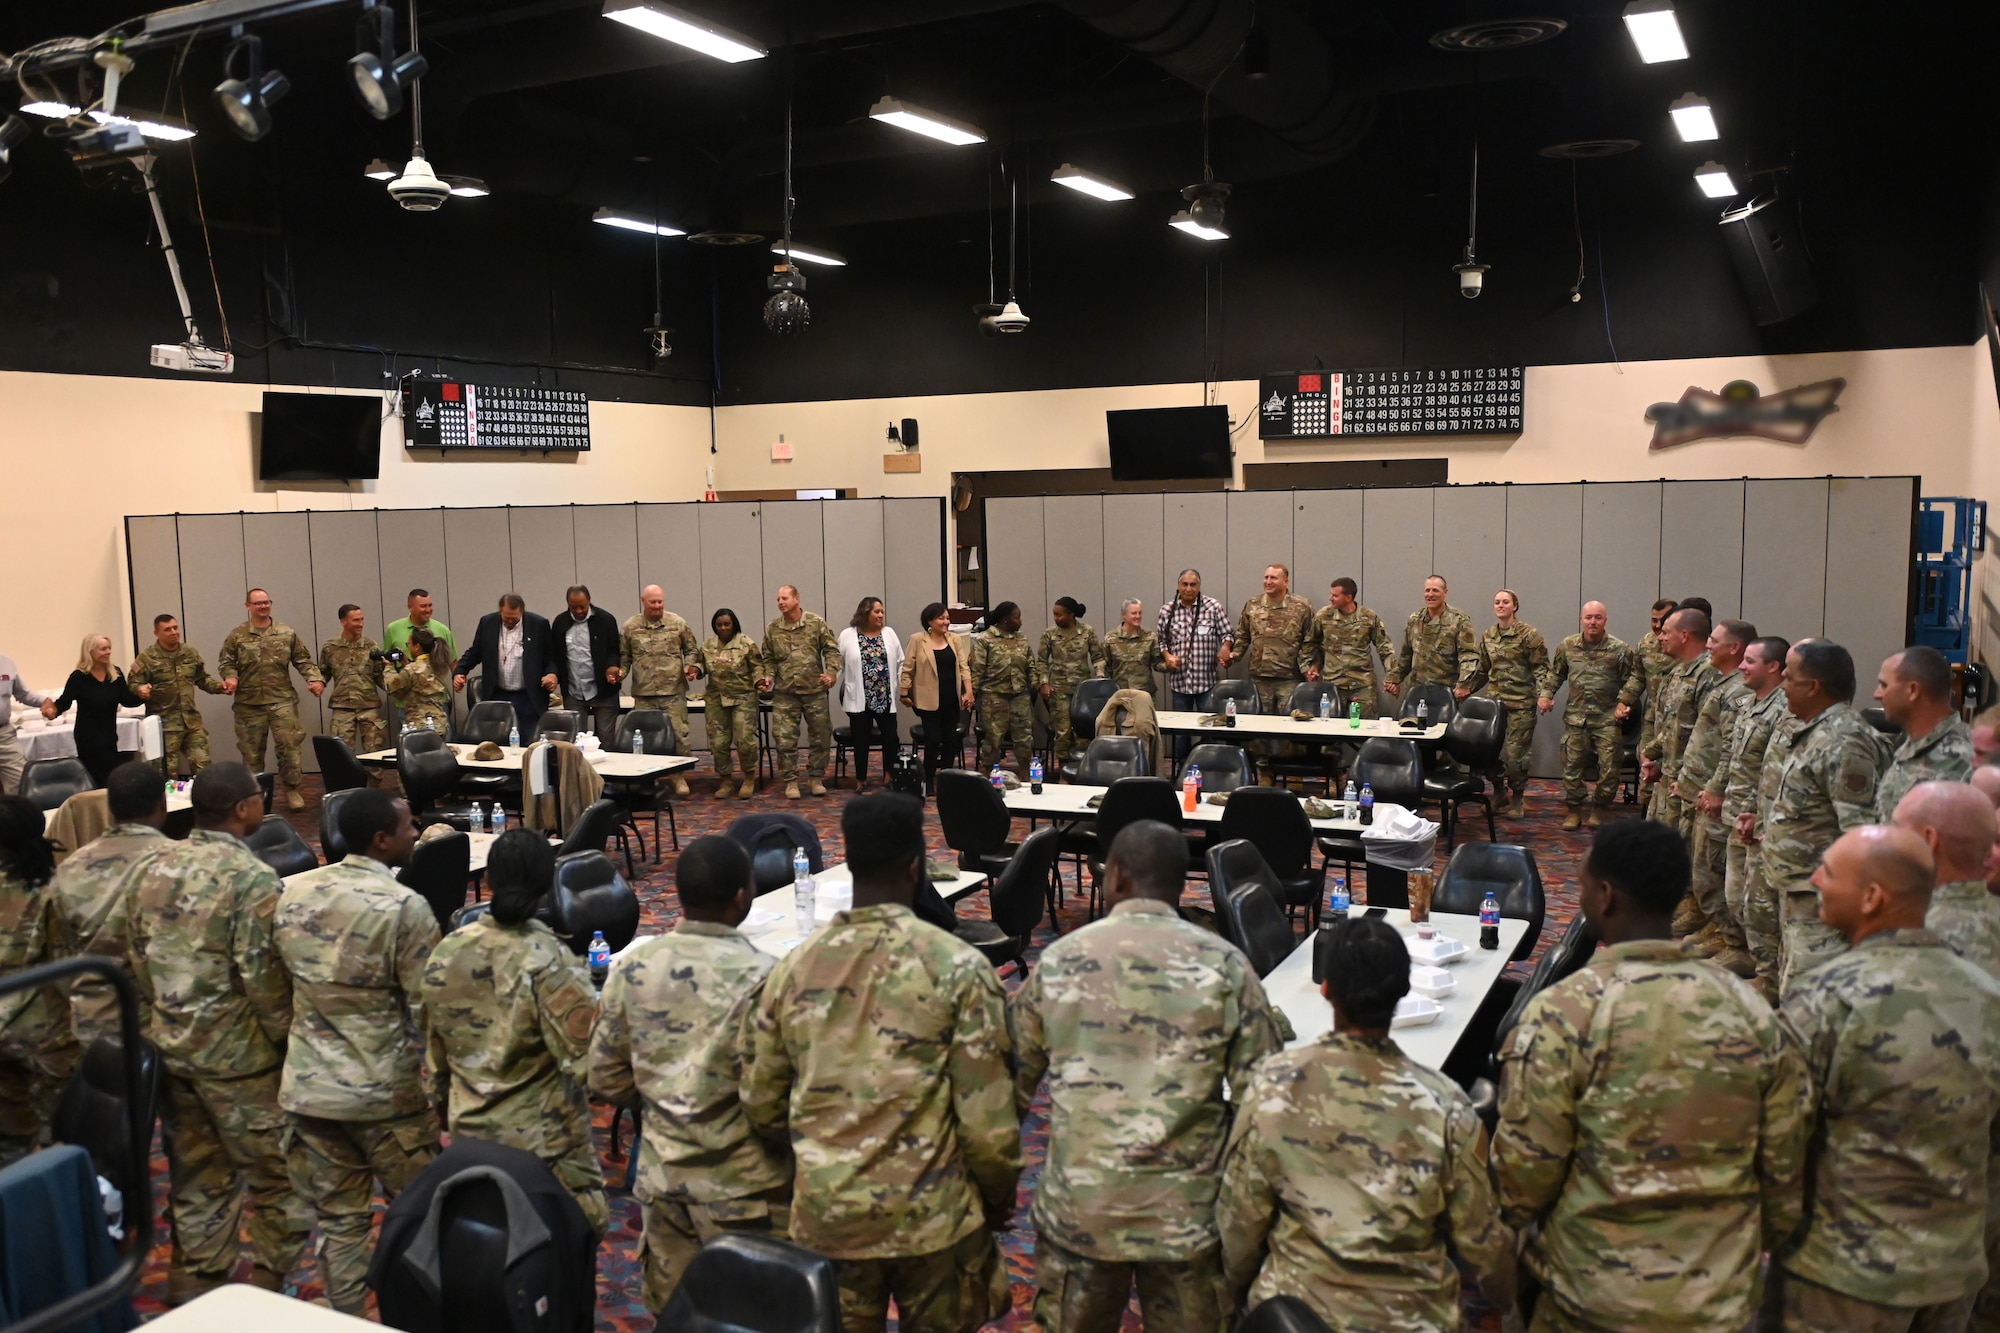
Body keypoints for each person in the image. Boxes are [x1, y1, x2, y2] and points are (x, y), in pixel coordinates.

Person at [1491, 819, 1807, 1333]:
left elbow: (1522, 1179)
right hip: (1716, 1299)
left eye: (1583, 884)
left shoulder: (1565, 1012)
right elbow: (1786, 1174)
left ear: (1606, 896)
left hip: (1592, 1298)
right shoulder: (1749, 1011)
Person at [743, 793, 1020, 1333]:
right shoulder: (959, 969)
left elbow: (762, 1104)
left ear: (848, 864)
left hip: (831, 1214)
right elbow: (987, 1124)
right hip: (936, 1219)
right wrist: (996, 1199)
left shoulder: (793, 970)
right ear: (916, 867)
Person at [1010, 819, 1285, 1333]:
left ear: (1114, 876)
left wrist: (999, 1186)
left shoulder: (1061, 961)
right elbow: (1264, 1108)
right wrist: (1249, 1225)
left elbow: (1008, 1094)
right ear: (1182, 883)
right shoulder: (1226, 966)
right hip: (1188, 1216)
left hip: (1083, 1210)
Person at [1215, 915, 1514, 1329]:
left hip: (1298, 1316)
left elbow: (1239, 1223)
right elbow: (1483, 1242)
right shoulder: (1445, 1105)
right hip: (1413, 1319)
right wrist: (1510, 1299)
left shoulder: (1273, 1086)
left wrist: (1228, 1302)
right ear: (1403, 992)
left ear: (1326, 990)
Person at [1770, 824, 2000, 1329]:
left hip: (1844, 1278)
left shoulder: (1829, 996)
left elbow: (1777, 1143)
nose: (1815, 879)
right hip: (1953, 1270)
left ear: (1872, 898)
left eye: (1828, 872)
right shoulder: (1985, 992)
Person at [122, 762, 305, 1303]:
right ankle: (267, 1294)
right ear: (243, 808)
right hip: (241, 1063)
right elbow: (265, 979)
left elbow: (136, 957)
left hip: (173, 1050)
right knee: (281, 1183)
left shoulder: (153, 866)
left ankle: (192, 1295)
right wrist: (290, 1043)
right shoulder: (251, 877)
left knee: (197, 1182)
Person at [590, 835, 792, 1314]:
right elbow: (778, 1101)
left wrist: (664, 1096)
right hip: (747, 1194)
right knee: (752, 1318)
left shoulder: (634, 967)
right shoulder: (769, 977)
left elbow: (603, 1075)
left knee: (678, 1316)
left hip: (666, 1181)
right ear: (742, 897)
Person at [274, 787, 441, 1317]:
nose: (416, 833)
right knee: (423, 1216)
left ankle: (344, 1321)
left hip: (309, 1088)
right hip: (383, 1094)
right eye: (408, 826)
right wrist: (443, 1087)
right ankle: (427, 1315)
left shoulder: (293, 894)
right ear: (381, 840)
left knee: (340, 1224)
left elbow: (274, 987)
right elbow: (428, 1009)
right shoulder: (404, 907)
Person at [422, 828, 604, 1234]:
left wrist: (443, 1110)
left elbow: (436, 1054)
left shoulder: (447, 950)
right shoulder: (551, 960)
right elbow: (588, 1064)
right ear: (547, 883)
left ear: (488, 880)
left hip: (469, 1135)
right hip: (543, 1149)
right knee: (571, 1243)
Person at [1760, 640, 1890, 992]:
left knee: (1812, 1000)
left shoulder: (1844, 741)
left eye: (1789, 677)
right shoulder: (1816, 733)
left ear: (1813, 686)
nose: (1783, 685)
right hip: (1801, 892)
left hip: (1824, 902)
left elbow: (1859, 835)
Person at [50, 760, 172, 1045]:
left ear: (111, 808)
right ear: (162, 804)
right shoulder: (186, 864)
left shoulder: (68, 870)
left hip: (95, 1027)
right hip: (169, 1023)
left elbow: (59, 957)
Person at [1669, 618, 1757, 965]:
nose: (1708, 646)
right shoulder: (1725, 684)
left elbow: (1730, 748)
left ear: (1734, 647)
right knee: (1700, 862)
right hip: (1700, 787)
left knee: (1714, 867)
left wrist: (1715, 787)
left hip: (1718, 793)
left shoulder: (1738, 692)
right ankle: (1715, 927)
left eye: (1715, 641)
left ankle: (1731, 938)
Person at [0, 794, 81, 1166]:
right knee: (59, 1138)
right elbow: (68, 974)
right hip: (44, 1036)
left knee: (10, 1141)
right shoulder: (49, 893)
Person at [1710, 635, 1792, 1002]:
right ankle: (1754, 961)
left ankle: (1770, 977)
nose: (1742, 666)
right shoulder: (1750, 704)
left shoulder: (1782, 711)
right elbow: (1735, 756)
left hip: (1761, 823)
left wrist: (1759, 816)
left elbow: (1775, 772)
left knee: (1760, 905)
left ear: (1772, 667)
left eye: (1751, 661)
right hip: (1738, 814)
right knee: (1738, 898)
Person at [217, 587, 324, 812]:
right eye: (258, 603)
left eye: (266, 602)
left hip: (281, 701)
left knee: (289, 747)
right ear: (248, 607)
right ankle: (254, 794)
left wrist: (315, 680)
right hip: (249, 704)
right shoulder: (237, 636)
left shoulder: (286, 633)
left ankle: (291, 788)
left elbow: (303, 660)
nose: (263, 606)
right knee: (252, 753)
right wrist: (231, 677)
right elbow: (226, 662)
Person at [1537, 601, 1641, 830]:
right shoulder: (1568, 646)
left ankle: (1599, 808)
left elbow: (1633, 679)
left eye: (1598, 618)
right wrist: (1545, 695)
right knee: (1571, 768)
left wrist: (1625, 702)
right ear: (1581, 619)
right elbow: (1556, 675)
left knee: (1611, 769)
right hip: (1576, 718)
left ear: (1605, 620)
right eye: (1588, 617)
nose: (1593, 622)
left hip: (1607, 719)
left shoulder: (1620, 649)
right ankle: (1574, 809)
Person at [1891, 780, 2000, 981]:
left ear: (1928, 840)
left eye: (1896, 828)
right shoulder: (1991, 911)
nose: (1888, 840)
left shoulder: (1923, 933)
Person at [1640, 606, 1721, 833]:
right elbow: (1673, 725)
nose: (1661, 637)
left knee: (1682, 857)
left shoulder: (1709, 674)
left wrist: (1689, 780)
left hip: (1691, 785)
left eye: (1666, 632)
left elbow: (1708, 735)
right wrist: (1652, 753)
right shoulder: (1678, 672)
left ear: (1684, 635)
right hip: (1668, 777)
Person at [1875, 645, 1975, 820]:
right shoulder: (1910, 743)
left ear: (1913, 691)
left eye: (1884, 685)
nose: (1876, 694)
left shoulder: (1960, 758)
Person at [759, 585, 840, 800]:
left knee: (821, 736)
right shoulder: (773, 628)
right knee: (784, 739)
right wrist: (767, 676)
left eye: (784, 598)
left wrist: (831, 674)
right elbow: (767, 657)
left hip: (814, 691)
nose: (780, 602)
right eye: (778, 599)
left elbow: (832, 650)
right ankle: (791, 781)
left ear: (797, 599)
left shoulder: (816, 623)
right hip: (785, 693)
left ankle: (815, 777)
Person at [621, 584, 700, 799]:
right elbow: (624, 657)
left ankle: (678, 776)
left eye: (660, 601)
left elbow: (691, 649)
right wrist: (619, 672)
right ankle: (649, 777)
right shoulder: (630, 627)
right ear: (643, 601)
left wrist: (690, 666)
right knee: (644, 739)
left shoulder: (677, 623)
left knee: (678, 735)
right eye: (653, 602)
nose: (657, 606)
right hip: (644, 692)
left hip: (673, 690)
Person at [128, 613, 228, 776]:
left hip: (191, 722)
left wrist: (220, 687)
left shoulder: (189, 653)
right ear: (157, 633)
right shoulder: (146, 658)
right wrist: (140, 689)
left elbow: (202, 679)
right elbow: (132, 683)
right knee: (166, 775)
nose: (174, 632)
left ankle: (203, 800)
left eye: (175, 628)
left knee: (204, 768)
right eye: (168, 629)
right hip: (165, 725)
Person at [43, 632, 148, 786]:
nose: (108, 652)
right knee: (95, 780)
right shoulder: (79, 677)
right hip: (87, 739)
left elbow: (126, 700)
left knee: (109, 778)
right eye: (103, 649)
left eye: (109, 648)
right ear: (90, 652)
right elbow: (64, 702)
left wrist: (141, 695)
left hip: (109, 737)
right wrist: (52, 712)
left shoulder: (115, 674)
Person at [1155, 569, 1235, 765]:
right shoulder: (1167, 610)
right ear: (1178, 586)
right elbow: (1162, 641)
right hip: (1179, 682)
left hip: (1206, 682)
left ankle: (1209, 766)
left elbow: (1228, 634)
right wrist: (1167, 656)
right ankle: (1181, 769)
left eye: (1193, 585)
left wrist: (1225, 648)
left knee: (1209, 728)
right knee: (1181, 733)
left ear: (1199, 586)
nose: (1189, 588)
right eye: (1185, 584)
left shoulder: (1212, 606)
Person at [1480, 590, 1548, 819]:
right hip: (1495, 704)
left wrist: (1544, 694)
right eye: (1497, 602)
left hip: (1521, 704)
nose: (1500, 605)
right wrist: (1464, 688)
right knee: (1488, 752)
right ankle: (1499, 792)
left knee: (1516, 755)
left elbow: (1541, 668)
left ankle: (1518, 798)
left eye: (1505, 602)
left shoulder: (1529, 635)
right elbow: (1483, 668)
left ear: (1515, 606)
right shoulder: (1488, 635)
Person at [454, 592, 559, 735]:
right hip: (497, 694)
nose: (510, 621)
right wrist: (460, 671)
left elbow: (551, 657)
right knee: (498, 740)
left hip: (528, 696)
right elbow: (475, 652)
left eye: (514, 618)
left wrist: (552, 674)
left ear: (521, 612)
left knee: (527, 740)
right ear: (500, 611)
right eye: (506, 618)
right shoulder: (487, 623)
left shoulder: (539, 624)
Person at [1222, 564, 1314, 717]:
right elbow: (1243, 635)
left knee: (1291, 728)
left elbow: (1311, 640)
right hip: (1259, 679)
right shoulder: (1253, 604)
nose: (1268, 581)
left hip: (1289, 679)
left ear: (1285, 582)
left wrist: (1310, 667)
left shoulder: (1302, 606)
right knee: (1257, 730)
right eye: (1266, 577)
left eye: (1273, 578)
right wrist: (1234, 655)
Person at [901, 602, 973, 791]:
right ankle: (929, 778)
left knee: (951, 741)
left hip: (951, 698)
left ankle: (946, 778)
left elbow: (963, 666)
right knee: (933, 740)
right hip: (927, 700)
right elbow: (908, 668)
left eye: (947, 618)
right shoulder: (917, 640)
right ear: (929, 621)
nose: (946, 622)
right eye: (941, 618)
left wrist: (969, 691)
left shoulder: (955, 639)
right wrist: (904, 692)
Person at [969, 601, 1043, 778]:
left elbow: (1031, 666)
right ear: (1005, 620)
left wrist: (1037, 686)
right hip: (994, 697)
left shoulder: (1022, 639)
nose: (1021, 621)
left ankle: (1025, 774)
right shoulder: (984, 639)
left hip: (1020, 696)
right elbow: (977, 669)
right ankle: (986, 773)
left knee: (1024, 738)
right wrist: (971, 693)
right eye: (1017, 618)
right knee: (993, 739)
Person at [837, 597, 905, 791]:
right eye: (877, 611)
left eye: (882, 611)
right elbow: (837, 663)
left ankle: (889, 775)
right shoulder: (848, 635)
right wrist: (830, 678)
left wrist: (903, 686)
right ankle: (860, 778)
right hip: (859, 698)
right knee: (861, 740)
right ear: (865, 613)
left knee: (891, 738)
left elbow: (901, 661)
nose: (881, 615)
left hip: (884, 697)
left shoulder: (889, 633)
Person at [1303, 577, 1392, 719]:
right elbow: (1309, 643)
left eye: (1335, 595)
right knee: (1328, 731)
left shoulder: (1368, 617)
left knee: (1364, 730)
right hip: (1333, 684)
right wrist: (1310, 666)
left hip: (1362, 685)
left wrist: (1391, 676)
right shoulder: (1324, 616)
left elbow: (1385, 649)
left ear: (1348, 597)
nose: (1330, 598)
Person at [699, 608, 765, 800]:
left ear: (734, 624)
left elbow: (758, 666)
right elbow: (701, 665)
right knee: (718, 742)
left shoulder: (746, 643)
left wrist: (760, 681)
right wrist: (695, 669)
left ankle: (749, 778)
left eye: (727, 624)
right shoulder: (708, 644)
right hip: (716, 698)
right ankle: (726, 780)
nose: (723, 628)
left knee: (744, 740)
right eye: (719, 625)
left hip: (742, 697)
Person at [1388, 574, 1481, 702]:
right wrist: (1394, 679)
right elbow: (1406, 657)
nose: (1430, 594)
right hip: (1416, 692)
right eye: (1427, 590)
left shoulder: (1459, 620)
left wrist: (1464, 684)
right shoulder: (1415, 619)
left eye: (1435, 590)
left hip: (1446, 694)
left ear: (1445, 592)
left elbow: (1468, 656)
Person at [1039, 597, 1106, 774]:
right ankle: (1063, 771)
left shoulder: (1087, 632)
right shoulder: (1049, 634)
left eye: (1059, 615)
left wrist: (1099, 674)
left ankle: (1082, 770)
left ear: (1071, 614)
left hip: (1082, 691)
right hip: (1059, 690)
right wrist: (1043, 683)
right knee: (1063, 732)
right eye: (1054, 614)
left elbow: (1098, 658)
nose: (1055, 618)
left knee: (1082, 733)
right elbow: (1041, 662)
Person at [318, 604, 386, 758]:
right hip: (342, 707)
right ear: (343, 622)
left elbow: (379, 675)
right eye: (356, 620)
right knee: (341, 754)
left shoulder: (371, 646)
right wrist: (319, 683)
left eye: (362, 619)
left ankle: (373, 783)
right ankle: (346, 783)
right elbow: (323, 672)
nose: (360, 624)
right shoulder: (331, 647)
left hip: (369, 706)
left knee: (375, 751)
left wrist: (395, 687)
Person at [558, 584, 624, 738]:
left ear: (589, 601)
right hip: (574, 691)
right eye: (574, 607)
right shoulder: (560, 623)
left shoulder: (606, 620)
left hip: (603, 690)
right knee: (577, 740)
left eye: (583, 606)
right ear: (568, 604)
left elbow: (615, 650)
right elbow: (557, 655)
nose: (579, 611)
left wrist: (612, 666)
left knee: (606, 741)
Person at [1635, 598, 1678, 806]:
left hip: (1677, 719)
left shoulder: (1681, 646)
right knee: (1647, 763)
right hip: (1652, 716)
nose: (1658, 626)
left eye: (1663, 620)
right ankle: (1645, 812)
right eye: (1654, 620)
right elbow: (1637, 677)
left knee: (1669, 769)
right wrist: (1624, 701)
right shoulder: (1645, 644)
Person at [0, 650, 56, 794]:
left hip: (4, 735)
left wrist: (44, 701)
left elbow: (22, 693)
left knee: (20, 783)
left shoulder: (6, 663)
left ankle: (15, 815)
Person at [384, 626, 452, 733]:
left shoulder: (411, 670)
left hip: (419, 726)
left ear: (417, 647)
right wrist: (407, 664)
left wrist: (389, 667)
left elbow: (392, 688)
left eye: (409, 644)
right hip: (439, 723)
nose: (408, 647)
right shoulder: (438, 665)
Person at [1101, 598, 1164, 698]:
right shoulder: (1111, 638)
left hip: (1144, 693)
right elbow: (1105, 665)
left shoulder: (1150, 636)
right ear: (1123, 615)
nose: (1138, 616)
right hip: (1120, 694)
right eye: (1134, 613)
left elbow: (1156, 663)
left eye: (1140, 613)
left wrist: (1170, 665)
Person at [382, 587, 457, 665]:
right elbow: (385, 659)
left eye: (430, 605)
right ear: (410, 607)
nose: (428, 610)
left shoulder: (443, 630)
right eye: (423, 606)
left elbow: (453, 662)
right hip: (402, 676)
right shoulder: (393, 629)